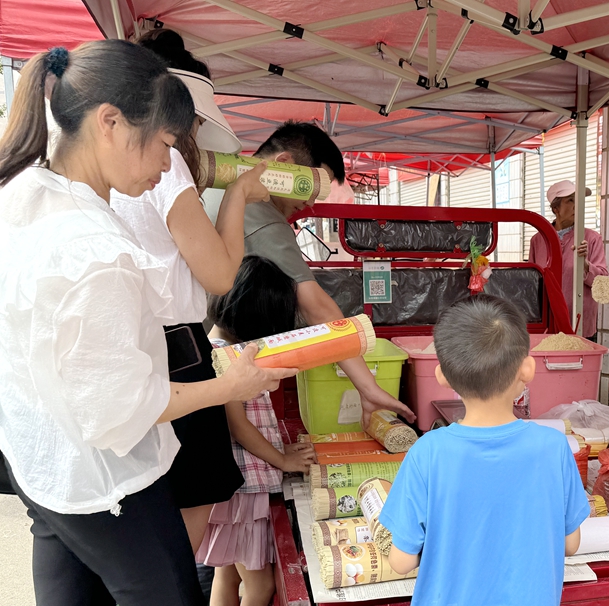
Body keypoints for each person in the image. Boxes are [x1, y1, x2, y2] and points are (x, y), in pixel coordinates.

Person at [0, 41, 293, 606]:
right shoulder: (98, 250)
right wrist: (228, 387)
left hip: (41, 458)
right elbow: (120, 410)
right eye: (163, 145)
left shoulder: (22, 192)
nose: (166, 165)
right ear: (109, 122)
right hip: (108, 478)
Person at [110, 27, 268, 555]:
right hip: (174, 350)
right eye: (192, 124)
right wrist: (239, 195)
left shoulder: (97, 161)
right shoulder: (167, 160)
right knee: (182, 527)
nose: (191, 136)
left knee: (130, 520)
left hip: (128, 346)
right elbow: (221, 276)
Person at [205, 122, 416, 429]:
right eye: (315, 186)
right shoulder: (263, 216)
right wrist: (368, 388)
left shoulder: (216, 187)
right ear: (284, 166)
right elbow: (314, 305)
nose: (312, 202)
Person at [381, 295, 589, 605]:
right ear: (527, 369)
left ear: (440, 375)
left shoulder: (427, 453)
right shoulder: (554, 446)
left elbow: (402, 561)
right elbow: (570, 543)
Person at [201, 256, 318, 606]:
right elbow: (239, 426)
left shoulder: (214, 346)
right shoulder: (229, 360)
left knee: (227, 573)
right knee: (261, 586)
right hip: (244, 491)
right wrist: (283, 459)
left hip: (230, 491)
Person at [527, 180, 609, 340]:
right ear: (555, 208)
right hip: (548, 323)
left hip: (580, 323)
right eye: (570, 200)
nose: (576, 205)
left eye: (579, 200)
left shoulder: (592, 238)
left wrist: (585, 265)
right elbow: (532, 281)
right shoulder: (538, 240)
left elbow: (603, 283)